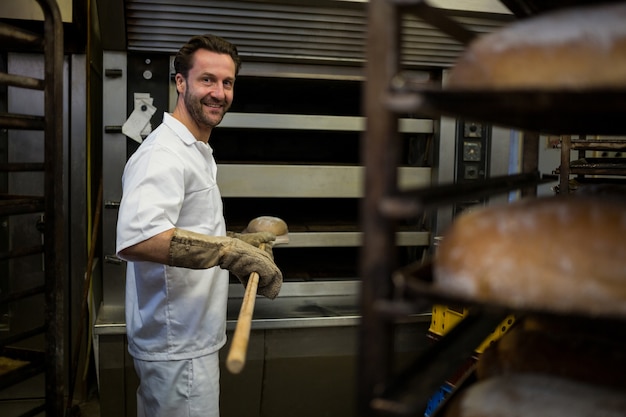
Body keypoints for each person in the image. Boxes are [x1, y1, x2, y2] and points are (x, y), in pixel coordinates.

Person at [115, 34, 283, 417]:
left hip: (188, 341)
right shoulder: (163, 154)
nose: (219, 93)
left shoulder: (195, 149)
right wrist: (227, 252)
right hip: (178, 348)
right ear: (180, 82)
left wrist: (236, 240)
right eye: (207, 79)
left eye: (227, 83)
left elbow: (185, 228)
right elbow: (139, 240)